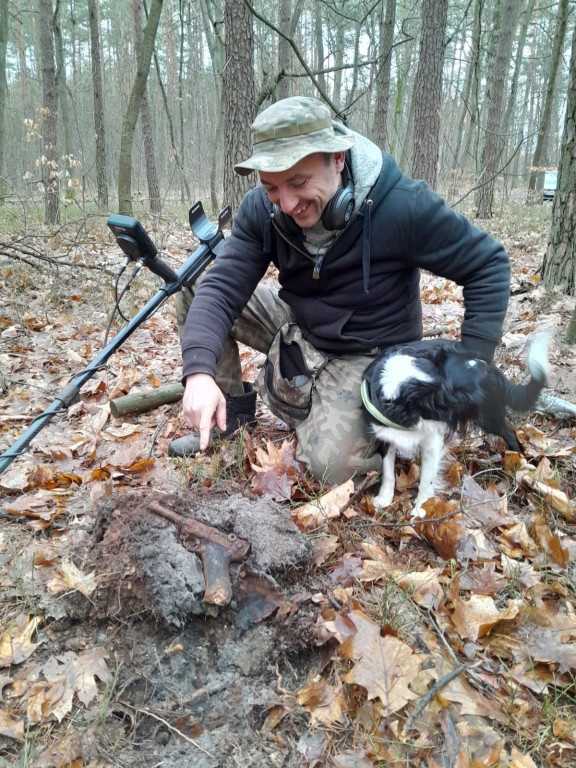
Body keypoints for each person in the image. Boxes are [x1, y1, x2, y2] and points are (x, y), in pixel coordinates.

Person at [169, 96, 511, 485]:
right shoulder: (263, 212)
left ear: (337, 158)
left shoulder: (401, 206)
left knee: (331, 465)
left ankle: (356, 420)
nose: (287, 203)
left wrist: (471, 364)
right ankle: (227, 417)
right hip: (303, 322)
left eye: (299, 183)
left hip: (369, 352)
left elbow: (488, 265)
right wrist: (198, 373)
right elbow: (221, 287)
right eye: (272, 189)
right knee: (196, 286)